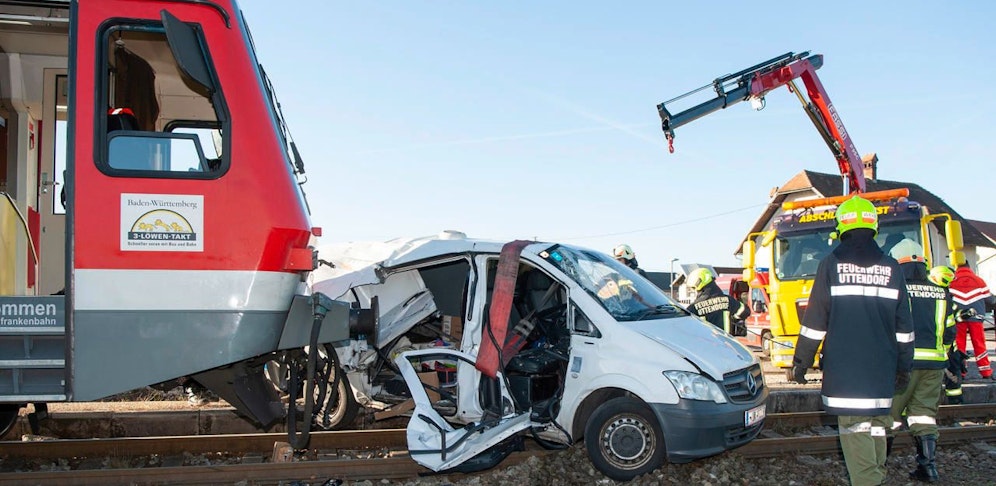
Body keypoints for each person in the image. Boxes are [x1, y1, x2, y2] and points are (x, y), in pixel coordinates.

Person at [791, 195, 914, 486]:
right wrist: (904, 366)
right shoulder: (892, 268)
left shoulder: (830, 265)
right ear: (874, 226)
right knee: (875, 427)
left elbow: (814, 323)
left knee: (855, 428)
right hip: (882, 368)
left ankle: (869, 482)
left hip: (846, 372)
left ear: (840, 227)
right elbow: (904, 328)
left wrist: (801, 363)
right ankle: (875, 477)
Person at [887, 243, 955, 482]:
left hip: (903, 364)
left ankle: (878, 467)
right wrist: (942, 353)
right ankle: (929, 469)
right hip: (934, 365)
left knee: (889, 417)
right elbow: (949, 331)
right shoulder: (941, 289)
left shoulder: (895, 287)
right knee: (924, 415)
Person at [949, 262, 996, 380]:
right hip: (976, 317)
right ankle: (986, 371)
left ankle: (961, 371)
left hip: (959, 317)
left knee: (959, 344)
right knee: (979, 344)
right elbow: (990, 300)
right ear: (969, 267)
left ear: (956, 267)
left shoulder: (952, 281)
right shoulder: (979, 281)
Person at [686, 268, 749, 336]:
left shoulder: (694, 307)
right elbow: (745, 311)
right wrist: (732, 318)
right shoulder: (728, 300)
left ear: (698, 284)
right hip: (726, 343)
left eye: (693, 288)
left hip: (705, 344)